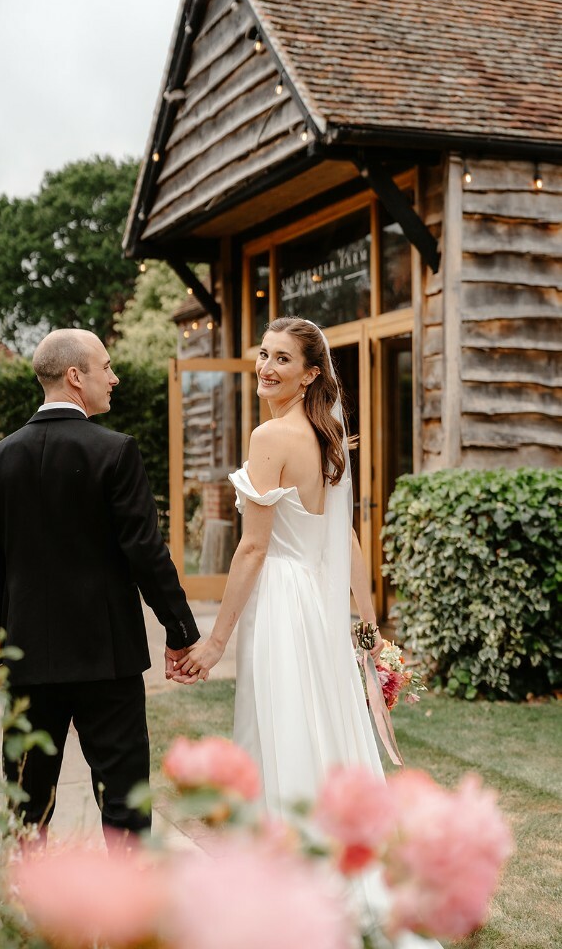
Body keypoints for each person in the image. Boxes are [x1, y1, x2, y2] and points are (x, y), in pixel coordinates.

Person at [0, 328, 199, 844]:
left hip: (26, 658)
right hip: (107, 657)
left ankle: (26, 905)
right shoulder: (116, 452)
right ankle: (125, 913)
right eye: (106, 367)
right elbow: (145, 552)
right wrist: (180, 630)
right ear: (76, 377)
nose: (114, 378)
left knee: (26, 802)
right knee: (123, 798)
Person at [174, 316, 389, 811]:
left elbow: (253, 548)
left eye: (283, 358)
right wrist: (368, 626)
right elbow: (347, 538)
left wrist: (215, 644)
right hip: (318, 603)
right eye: (265, 354)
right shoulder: (326, 432)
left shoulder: (270, 436)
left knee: (283, 719)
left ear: (311, 374)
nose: (266, 367)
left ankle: (288, 842)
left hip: (280, 600)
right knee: (320, 716)